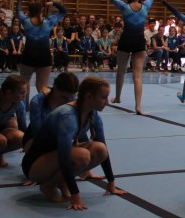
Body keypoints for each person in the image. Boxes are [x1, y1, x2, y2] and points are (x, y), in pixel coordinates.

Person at [22, 76, 123, 210]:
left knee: (100, 149)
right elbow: (64, 157)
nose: (107, 103)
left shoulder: (93, 114)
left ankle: (60, 181)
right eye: (104, 98)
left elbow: (102, 146)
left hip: (53, 158)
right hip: (34, 164)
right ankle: (48, 185)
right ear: (89, 97)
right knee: (82, 155)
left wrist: (111, 182)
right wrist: (75, 194)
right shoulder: (67, 115)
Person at [89, 0, 162, 114]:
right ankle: (138, 106)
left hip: (126, 40)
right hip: (139, 41)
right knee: (137, 76)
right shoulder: (146, 6)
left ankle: (118, 97)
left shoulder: (124, 7)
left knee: (121, 71)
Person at [15, 0, 66, 104]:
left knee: (24, 84)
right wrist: (53, 3)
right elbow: (63, 11)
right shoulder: (49, 21)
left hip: (29, 55)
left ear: (29, 11)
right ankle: (46, 107)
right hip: (44, 56)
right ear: (42, 10)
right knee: (42, 87)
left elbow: (18, 11)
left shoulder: (26, 21)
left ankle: (24, 108)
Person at [24, 71, 79, 150]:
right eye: (64, 97)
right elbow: (38, 135)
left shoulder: (74, 100)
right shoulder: (37, 102)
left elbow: (80, 132)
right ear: (55, 88)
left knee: (93, 148)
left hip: (63, 138)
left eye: (72, 97)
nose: (68, 101)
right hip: (36, 139)